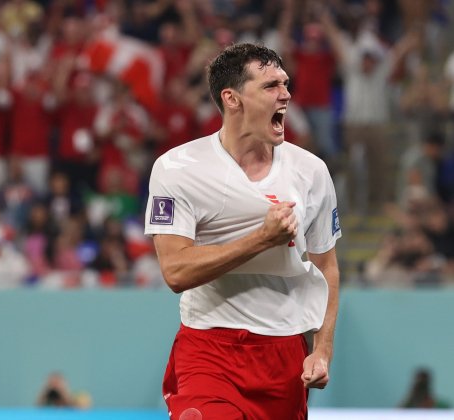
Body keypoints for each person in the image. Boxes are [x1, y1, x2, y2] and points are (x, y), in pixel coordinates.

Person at [144, 43, 341, 419]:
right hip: (209, 346)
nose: (285, 93)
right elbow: (176, 271)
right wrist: (260, 239)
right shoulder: (177, 168)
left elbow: (326, 266)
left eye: (285, 83)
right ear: (231, 98)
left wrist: (322, 349)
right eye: (270, 86)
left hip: (284, 355)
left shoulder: (311, 171)